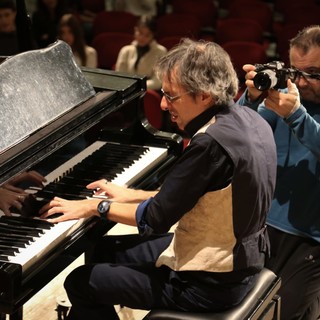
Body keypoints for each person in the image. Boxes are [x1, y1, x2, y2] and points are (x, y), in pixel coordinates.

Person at [39, 38, 277, 320]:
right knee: (104, 249)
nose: (163, 104)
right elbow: (196, 196)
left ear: (205, 95)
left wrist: (94, 207)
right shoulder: (249, 119)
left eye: (172, 96)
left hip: (209, 282)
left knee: (80, 282)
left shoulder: (209, 144)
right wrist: (130, 194)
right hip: (241, 260)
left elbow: (154, 220)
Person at [238, 25, 320, 319]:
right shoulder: (284, 98)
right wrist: (249, 99)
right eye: (294, 71)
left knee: (285, 314)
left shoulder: (292, 107)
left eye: (312, 73)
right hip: (264, 225)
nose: (300, 82)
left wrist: (297, 116)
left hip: (312, 237)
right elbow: (239, 136)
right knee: (250, 307)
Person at [115, 14, 167, 91]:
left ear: (153, 35)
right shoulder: (125, 50)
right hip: (126, 91)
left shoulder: (161, 51)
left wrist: (136, 87)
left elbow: (158, 82)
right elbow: (118, 78)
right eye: (140, 33)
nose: (142, 37)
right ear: (135, 30)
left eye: (147, 35)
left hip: (148, 91)